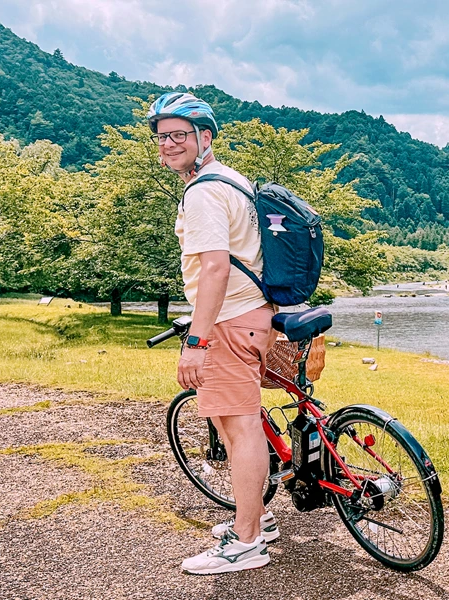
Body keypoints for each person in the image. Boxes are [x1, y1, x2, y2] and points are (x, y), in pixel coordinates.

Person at [147, 92, 279, 574]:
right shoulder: (235, 181)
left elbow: (216, 270)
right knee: (239, 422)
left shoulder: (203, 189)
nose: (168, 144)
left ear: (205, 137)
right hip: (252, 317)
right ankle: (255, 518)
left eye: (179, 135)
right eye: (161, 137)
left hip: (229, 323)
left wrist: (196, 343)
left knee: (239, 427)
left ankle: (248, 542)